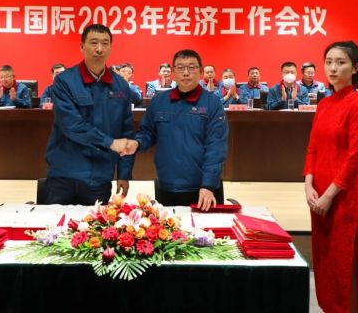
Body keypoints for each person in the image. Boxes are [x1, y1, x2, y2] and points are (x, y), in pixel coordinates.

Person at [303, 40, 358, 313]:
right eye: (329, 62)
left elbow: (354, 158)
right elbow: (312, 147)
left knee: (344, 267)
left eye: (341, 62)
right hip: (319, 194)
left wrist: (330, 195)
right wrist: (308, 184)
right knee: (325, 264)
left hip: (344, 198)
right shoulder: (324, 104)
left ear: (355, 68)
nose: (333, 68)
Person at [45, 24, 135, 205]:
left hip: (100, 176)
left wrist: (124, 173)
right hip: (65, 174)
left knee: (94, 223)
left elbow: (126, 132)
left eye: (105, 43)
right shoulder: (65, 81)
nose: (99, 49)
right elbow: (71, 125)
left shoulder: (121, 86)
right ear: (82, 46)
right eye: (93, 43)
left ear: (110, 48)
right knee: (57, 222)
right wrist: (110, 143)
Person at [128, 49, 228, 211]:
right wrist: (137, 144)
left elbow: (216, 148)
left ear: (200, 71)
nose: (186, 73)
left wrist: (208, 184)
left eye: (192, 67)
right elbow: (147, 133)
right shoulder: (159, 101)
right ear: (173, 72)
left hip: (202, 188)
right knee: (169, 226)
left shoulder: (212, 103)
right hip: (168, 184)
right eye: (180, 68)